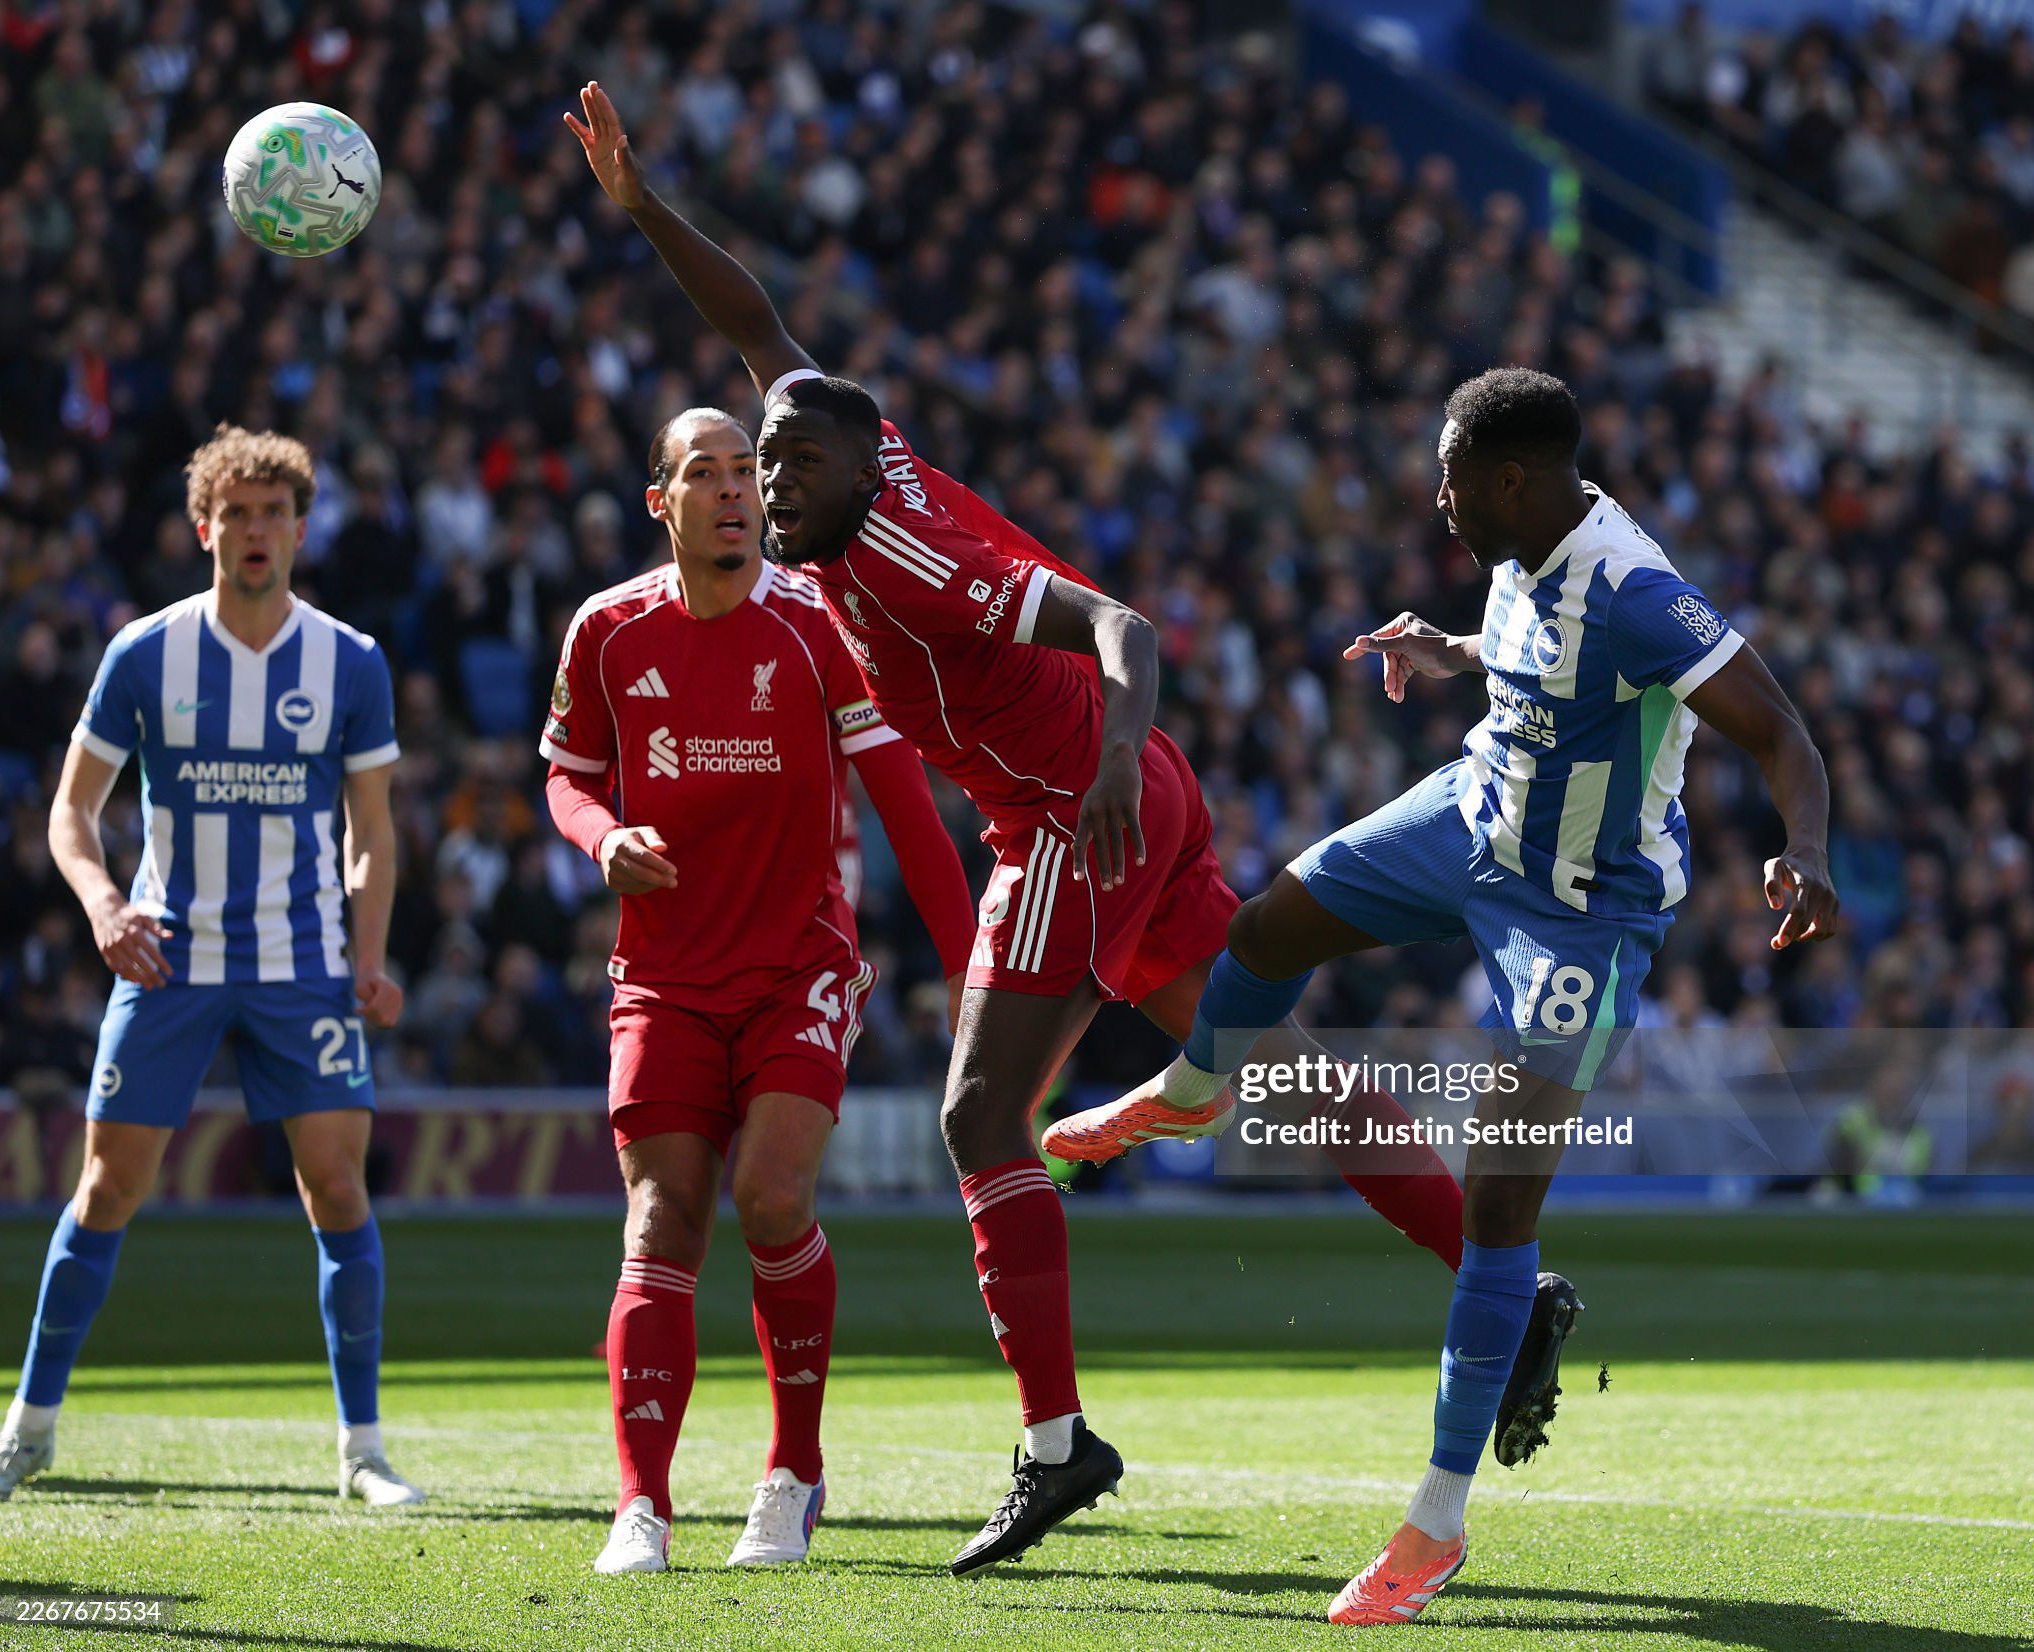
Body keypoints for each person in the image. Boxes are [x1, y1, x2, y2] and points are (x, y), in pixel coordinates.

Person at [563, 83, 1571, 1575]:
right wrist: (646, 210)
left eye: (788, 469)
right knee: (1274, 1070)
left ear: (859, 471)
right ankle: (1507, 1277)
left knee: (982, 1116)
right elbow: (757, 325)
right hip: (1123, 799)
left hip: (1074, 817)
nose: (769, 489)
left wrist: (1097, 774)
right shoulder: (837, 456)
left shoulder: (907, 555)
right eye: (761, 467)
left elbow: (1121, 624)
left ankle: (1054, 1447)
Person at [1085, 368, 1839, 1624]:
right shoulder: (1519, 541)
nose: (1435, 498)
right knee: (1266, 924)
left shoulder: (1636, 591)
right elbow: (1538, 643)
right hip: (1469, 815)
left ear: (1511, 479)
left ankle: (1433, 1525)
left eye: (1450, 477)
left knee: (1494, 1199)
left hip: (1580, 908)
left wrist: (1802, 848)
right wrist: (1453, 647)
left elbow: (1781, 734)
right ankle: (1195, 1088)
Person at [542, 406, 976, 1574]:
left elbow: (904, 804)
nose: (736, 488)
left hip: (798, 967)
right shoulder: (605, 631)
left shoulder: (816, 624)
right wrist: (599, 837)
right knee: (660, 1219)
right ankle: (641, 1502)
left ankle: (792, 1471)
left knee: (771, 1196)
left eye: (747, 469)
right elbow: (568, 778)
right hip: (661, 977)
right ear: (661, 501)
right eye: (707, 471)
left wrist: (964, 966)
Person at [0, 426, 422, 1507]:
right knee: (107, 1187)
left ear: (301, 529)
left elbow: (372, 830)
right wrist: (104, 905)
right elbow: (72, 811)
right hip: (168, 956)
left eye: (274, 513)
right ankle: (27, 1429)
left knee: (337, 1187)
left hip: (301, 961)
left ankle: (363, 1450)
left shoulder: (350, 660)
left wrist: (369, 957)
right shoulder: (145, 653)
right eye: (237, 513)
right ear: (203, 528)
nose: (256, 530)